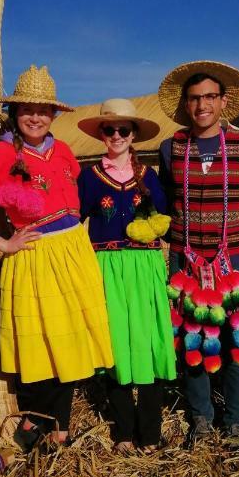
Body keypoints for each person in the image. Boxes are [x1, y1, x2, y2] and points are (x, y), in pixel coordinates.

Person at [0, 65, 114, 450]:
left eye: (43, 109)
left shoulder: (65, 152)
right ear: (15, 114)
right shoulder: (0, 155)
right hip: (34, 256)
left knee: (70, 343)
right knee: (40, 344)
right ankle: (34, 422)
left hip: (74, 253)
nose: (35, 117)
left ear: (54, 114)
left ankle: (61, 427)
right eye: (27, 109)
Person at [157, 61, 239, 440]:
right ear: (186, 105)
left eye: (209, 97)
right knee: (192, 337)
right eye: (194, 99)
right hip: (184, 258)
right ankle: (201, 417)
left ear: (223, 102)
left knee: (234, 336)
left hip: (231, 259)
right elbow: (166, 198)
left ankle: (234, 420)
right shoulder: (171, 148)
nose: (202, 105)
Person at [78, 99, 176, 453]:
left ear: (134, 134)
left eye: (124, 130)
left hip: (146, 267)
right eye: (110, 129)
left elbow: (165, 222)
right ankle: (123, 432)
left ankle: (149, 432)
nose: (117, 135)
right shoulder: (89, 177)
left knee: (149, 346)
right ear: (101, 134)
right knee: (115, 345)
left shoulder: (148, 176)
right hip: (106, 268)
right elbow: (72, 222)